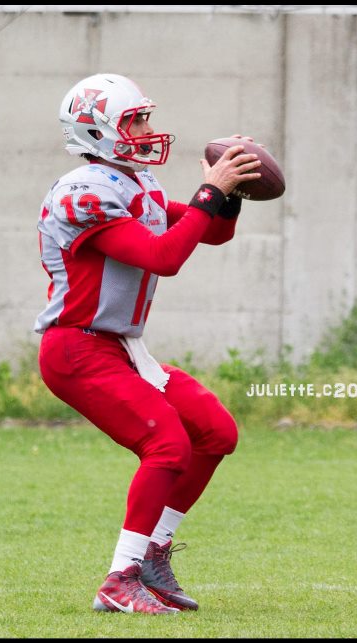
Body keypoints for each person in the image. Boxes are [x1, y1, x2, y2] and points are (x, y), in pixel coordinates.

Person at [34, 73, 262, 614]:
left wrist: (226, 194)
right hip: (77, 349)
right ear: (97, 131)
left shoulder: (134, 184)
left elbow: (210, 232)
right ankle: (120, 579)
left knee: (214, 432)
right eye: (135, 120)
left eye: (145, 117)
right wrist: (211, 190)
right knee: (167, 446)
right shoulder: (82, 190)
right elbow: (164, 257)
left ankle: (154, 549)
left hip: (119, 348)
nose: (148, 130)